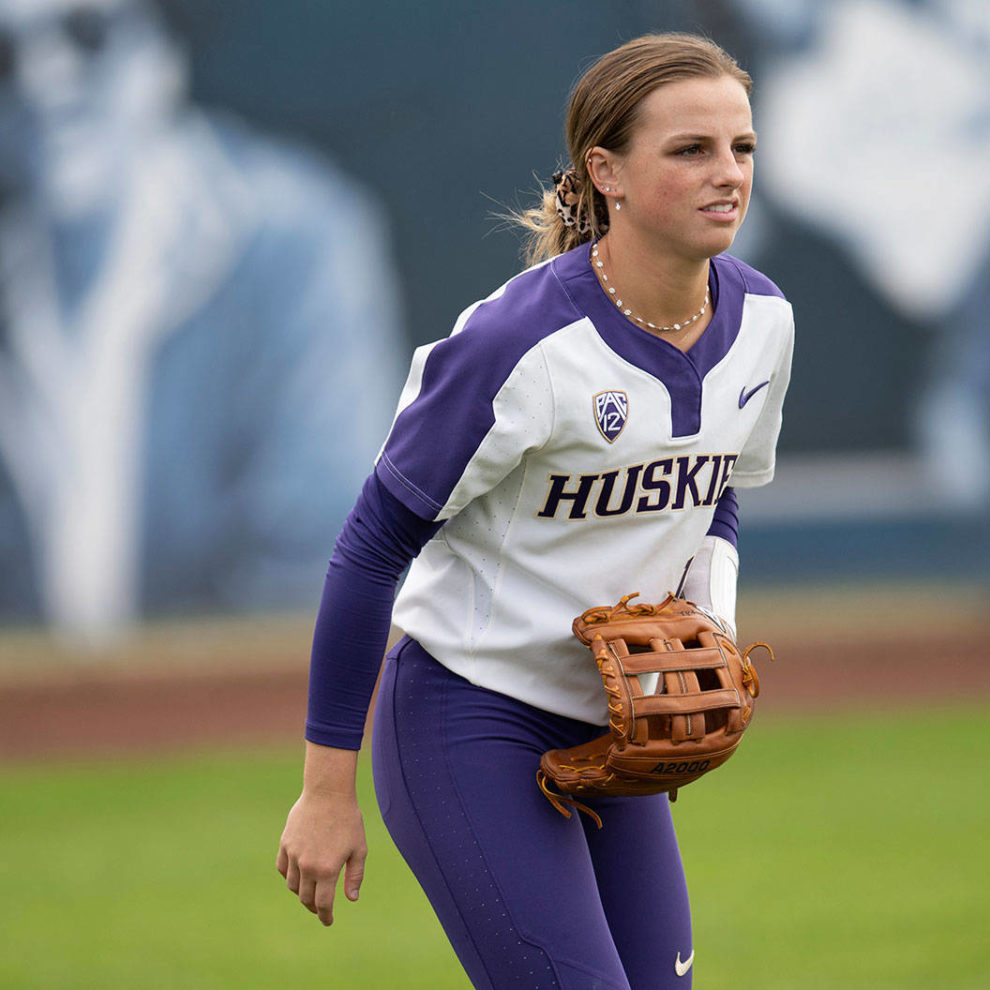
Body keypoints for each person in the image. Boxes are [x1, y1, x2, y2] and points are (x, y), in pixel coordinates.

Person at [275, 32, 794, 990]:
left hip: (619, 727)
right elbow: (371, 549)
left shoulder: (764, 322)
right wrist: (324, 789)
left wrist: (710, 623)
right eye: (690, 149)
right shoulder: (519, 344)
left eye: (742, 147)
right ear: (607, 172)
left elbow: (716, 490)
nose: (728, 173)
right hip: (470, 721)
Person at [0, 0, 403, 639]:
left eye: (87, 35)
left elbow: (316, 570)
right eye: (4, 57)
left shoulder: (292, 240)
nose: (40, 80)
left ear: (164, 43)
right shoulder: (16, 267)